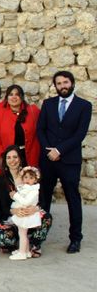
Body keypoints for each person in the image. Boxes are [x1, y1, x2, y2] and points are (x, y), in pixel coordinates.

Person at [37, 70, 92, 254]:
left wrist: (59, 150)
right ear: (55, 86)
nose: (62, 86)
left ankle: (75, 239)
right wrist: (49, 151)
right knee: (44, 200)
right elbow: (41, 130)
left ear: (72, 83)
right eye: (59, 83)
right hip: (48, 160)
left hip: (69, 161)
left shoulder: (84, 106)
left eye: (65, 82)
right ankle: (39, 237)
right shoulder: (48, 104)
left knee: (72, 199)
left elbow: (80, 134)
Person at [0, 145, 51, 257]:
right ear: (5, 160)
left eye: (15, 157)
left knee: (46, 217)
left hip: (31, 213)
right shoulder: (1, 180)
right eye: (8, 157)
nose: (12, 160)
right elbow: (1, 206)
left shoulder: (30, 174)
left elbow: (43, 200)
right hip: (14, 216)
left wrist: (35, 208)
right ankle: (18, 244)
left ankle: (34, 245)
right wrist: (14, 211)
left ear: (20, 159)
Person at [0, 84, 40, 174]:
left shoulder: (33, 111)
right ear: (7, 98)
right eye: (11, 94)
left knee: (29, 185)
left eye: (17, 94)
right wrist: (2, 156)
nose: (14, 97)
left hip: (29, 156)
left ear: (22, 97)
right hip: (9, 158)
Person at [8, 167, 42, 261]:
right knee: (23, 233)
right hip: (22, 213)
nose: (28, 180)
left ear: (35, 179)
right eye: (26, 177)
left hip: (27, 214)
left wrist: (15, 195)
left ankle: (22, 253)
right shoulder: (25, 188)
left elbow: (26, 202)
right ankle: (25, 251)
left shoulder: (34, 190)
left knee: (22, 234)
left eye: (31, 178)